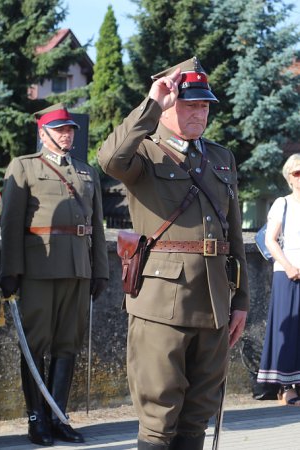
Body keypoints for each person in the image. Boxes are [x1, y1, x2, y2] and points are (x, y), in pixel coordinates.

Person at [98, 57, 250, 450]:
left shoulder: (220, 158)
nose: (199, 113)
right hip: (162, 302)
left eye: (204, 106)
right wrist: (152, 103)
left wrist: (242, 300)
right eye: (189, 104)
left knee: (198, 414)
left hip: (215, 300)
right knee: (158, 418)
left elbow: (234, 235)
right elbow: (109, 160)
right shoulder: (144, 153)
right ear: (169, 106)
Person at [0, 103, 109, 446]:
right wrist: (11, 270)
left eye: (70, 129)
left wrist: (100, 270)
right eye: (60, 129)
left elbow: (98, 227)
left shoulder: (86, 172)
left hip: (78, 270)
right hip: (39, 270)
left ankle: (58, 417)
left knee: (67, 346)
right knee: (35, 347)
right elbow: (12, 223)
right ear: (43, 133)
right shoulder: (24, 167)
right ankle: (37, 420)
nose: (67, 134)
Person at [257, 153, 300, 405]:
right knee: (288, 330)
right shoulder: (282, 203)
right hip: (288, 274)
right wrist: (288, 266)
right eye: (297, 173)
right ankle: (285, 387)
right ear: (289, 178)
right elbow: (270, 239)